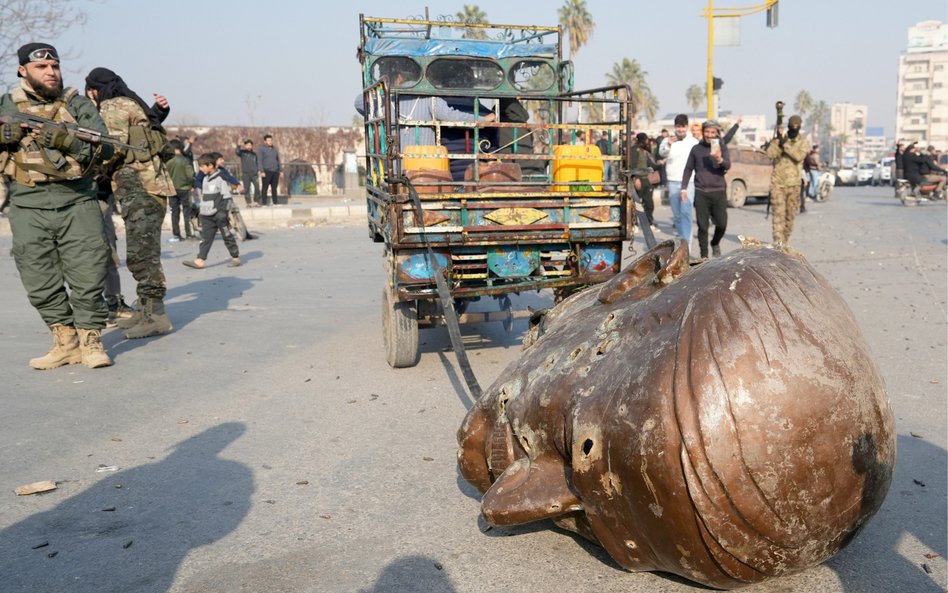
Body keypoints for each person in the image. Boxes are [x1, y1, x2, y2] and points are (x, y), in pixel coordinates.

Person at [0, 43, 113, 368]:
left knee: (88, 271)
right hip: (27, 202)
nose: (51, 72)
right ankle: (65, 341)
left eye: (55, 66)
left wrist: (64, 140)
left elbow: (105, 151)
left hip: (77, 199)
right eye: (42, 68)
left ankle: (91, 341)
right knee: (37, 275)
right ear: (23, 71)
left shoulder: (76, 104)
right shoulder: (7, 104)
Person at [85, 66, 175, 340]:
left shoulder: (112, 106)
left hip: (140, 187)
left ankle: (156, 316)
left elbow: (113, 148)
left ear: (94, 90)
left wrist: (88, 168)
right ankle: (144, 312)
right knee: (142, 250)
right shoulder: (130, 103)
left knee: (142, 255)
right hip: (148, 186)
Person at [681, 119, 731, 260]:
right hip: (701, 192)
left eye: (712, 132)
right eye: (707, 132)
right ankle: (704, 256)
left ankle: (715, 242)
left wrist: (719, 159)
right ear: (703, 132)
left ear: (717, 134)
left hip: (719, 191)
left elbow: (728, 165)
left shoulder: (721, 147)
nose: (709, 135)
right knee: (702, 227)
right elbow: (688, 169)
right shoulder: (696, 149)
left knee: (722, 224)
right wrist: (683, 188)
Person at [183, 153, 241, 269]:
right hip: (206, 215)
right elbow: (204, 197)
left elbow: (227, 197)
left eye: (202, 166)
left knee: (227, 236)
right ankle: (200, 260)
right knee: (205, 238)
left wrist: (223, 213)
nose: (200, 169)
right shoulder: (205, 179)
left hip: (219, 215)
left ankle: (235, 257)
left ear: (210, 165)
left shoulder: (221, 179)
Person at [765, 115, 809, 249]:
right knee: (778, 216)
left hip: (794, 185)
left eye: (796, 126)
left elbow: (799, 156)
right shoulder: (780, 140)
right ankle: (779, 244)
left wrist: (786, 145)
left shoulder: (803, 142)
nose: (793, 128)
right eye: (792, 126)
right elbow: (770, 154)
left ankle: (785, 239)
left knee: (790, 218)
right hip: (778, 184)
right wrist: (777, 143)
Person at [658, 114, 699, 246]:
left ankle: (687, 246)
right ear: (675, 127)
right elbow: (662, 154)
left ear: (687, 127)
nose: (680, 130)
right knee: (677, 215)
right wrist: (669, 144)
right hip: (672, 181)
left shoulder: (693, 142)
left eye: (683, 127)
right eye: (678, 127)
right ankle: (682, 242)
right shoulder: (666, 141)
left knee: (686, 212)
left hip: (688, 182)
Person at [165, 139, 195, 241]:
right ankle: (189, 233)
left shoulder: (168, 162)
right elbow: (190, 175)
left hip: (172, 190)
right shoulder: (185, 160)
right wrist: (192, 185)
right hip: (185, 189)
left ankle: (176, 234)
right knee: (187, 211)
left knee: (174, 212)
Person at [630, 132, 657, 229]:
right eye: (646, 139)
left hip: (647, 179)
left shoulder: (645, 150)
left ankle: (649, 222)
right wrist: (635, 178)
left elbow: (651, 164)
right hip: (639, 179)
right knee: (636, 203)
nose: (647, 141)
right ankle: (634, 224)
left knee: (649, 203)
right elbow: (632, 165)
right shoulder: (634, 150)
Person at [235, 138, 260, 206]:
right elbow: (237, 152)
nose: (249, 146)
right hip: (246, 173)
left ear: (252, 146)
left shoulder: (254, 154)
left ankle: (256, 201)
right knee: (246, 189)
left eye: (250, 145)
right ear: (245, 146)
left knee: (257, 187)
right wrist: (238, 145)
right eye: (247, 145)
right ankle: (248, 203)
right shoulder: (243, 153)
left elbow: (257, 163)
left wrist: (258, 170)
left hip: (254, 174)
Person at [258, 133, 280, 206]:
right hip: (266, 171)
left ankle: (275, 202)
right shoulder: (262, 149)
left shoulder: (274, 149)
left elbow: (278, 160)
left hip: (275, 171)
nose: (270, 142)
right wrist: (261, 171)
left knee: (274, 188)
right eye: (268, 140)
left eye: (271, 140)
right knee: (265, 188)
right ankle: (264, 203)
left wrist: (280, 170)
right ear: (265, 141)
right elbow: (259, 161)